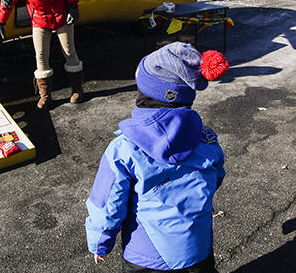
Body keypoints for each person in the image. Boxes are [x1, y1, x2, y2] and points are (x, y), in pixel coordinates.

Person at [85, 42, 228, 272]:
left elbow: (108, 202)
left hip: (145, 254)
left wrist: (100, 241)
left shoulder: (124, 148)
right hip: (196, 248)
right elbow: (216, 177)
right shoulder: (206, 139)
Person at [0, 0, 84, 109]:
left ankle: (77, 89)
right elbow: (7, 0)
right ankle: (45, 95)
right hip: (39, 19)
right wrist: (0, 22)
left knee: (69, 51)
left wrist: (73, 7)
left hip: (62, 16)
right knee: (41, 57)